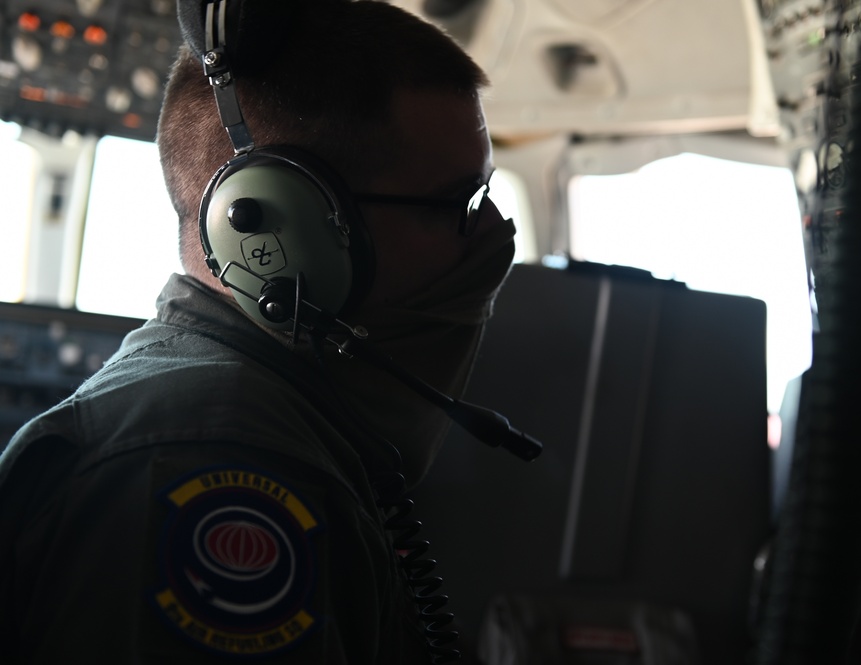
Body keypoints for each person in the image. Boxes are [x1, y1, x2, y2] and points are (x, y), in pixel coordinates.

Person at [0, 0, 517, 662]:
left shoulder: (278, 418)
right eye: (460, 203)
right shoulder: (213, 458)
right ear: (279, 228)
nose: (492, 237)